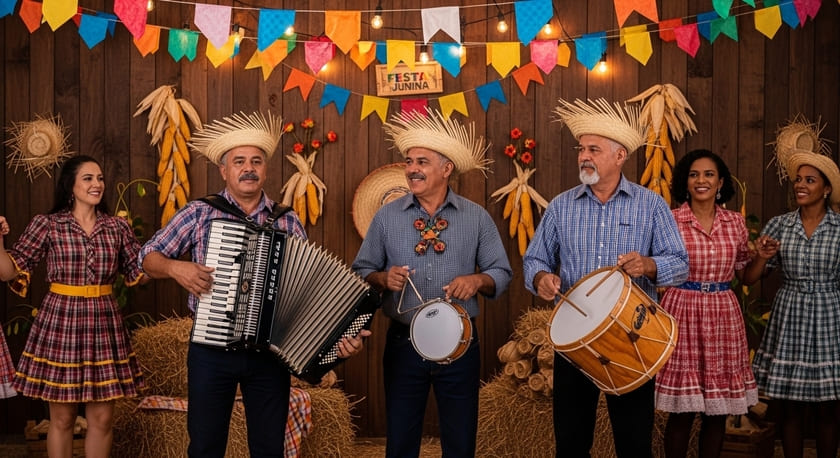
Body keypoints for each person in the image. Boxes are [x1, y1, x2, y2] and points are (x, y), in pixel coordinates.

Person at [138, 111, 369, 457]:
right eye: (239, 161)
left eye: (256, 162)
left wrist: (339, 340)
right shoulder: (200, 212)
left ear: (265, 170)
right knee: (205, 446)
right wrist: (175, 268)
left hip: (269, 355)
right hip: (211, 351)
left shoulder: (286, 220)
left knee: (268, 448)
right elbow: (146, 257)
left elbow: (308, 292)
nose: (249, 168)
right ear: (224, 170)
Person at [523, 98, 689, 458]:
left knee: (634, 445)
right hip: (575, 341)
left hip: (631, 337)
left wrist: (648, 265)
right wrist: (541, 278)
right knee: (571, 444)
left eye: (593, 150)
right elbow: (534, 258)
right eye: (581, 149)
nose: (584, 156)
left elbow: (680, 264)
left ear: (619, 156)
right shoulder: (561, 206)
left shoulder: (650, 205)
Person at [352, 108, 512, 457]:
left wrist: (477, 280)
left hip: (460, 342)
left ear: (446, 168)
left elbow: (501, 273)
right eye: (409, 162)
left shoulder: (476, 217)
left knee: (460, 440)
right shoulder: (387, 216)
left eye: (422, 162)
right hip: (403, 342)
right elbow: (361, 271)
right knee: (400, 441)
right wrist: (383, 278)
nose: (412, 169)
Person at [0, 155, 147, 458]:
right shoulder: (48, 224)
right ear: (71, 185)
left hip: (104, 323)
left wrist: (170, 256)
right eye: (88, 178)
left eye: (100, 178)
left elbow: (140, 271)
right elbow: (8, 272)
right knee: (63, 419)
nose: (97, 184)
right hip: (61, 322)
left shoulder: (117, 227)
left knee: (102, 419)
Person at [742, 119, 840, 458]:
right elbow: (749, 279)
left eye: (809, 180)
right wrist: (761, 255)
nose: (800, 185)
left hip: (830, 316)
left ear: (825, 189)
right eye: (798, 179)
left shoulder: (839, 228)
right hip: (791, 315)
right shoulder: (780, 225)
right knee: (790, 406)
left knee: (829, 407)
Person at [654, 149, 762, 457]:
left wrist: (762, 258)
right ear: (685, 182)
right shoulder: (671, 220)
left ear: (720, 183)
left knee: (717, 412)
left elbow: (746, 277)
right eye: (694, 175)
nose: (701, 180)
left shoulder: (735, 222)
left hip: (723, 314)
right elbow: (658, 268)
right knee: (682, 413)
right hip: (682, 310)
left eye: (709, 174)